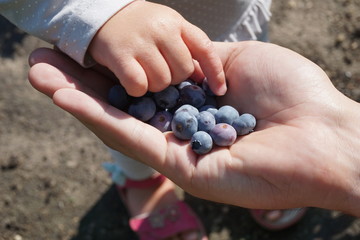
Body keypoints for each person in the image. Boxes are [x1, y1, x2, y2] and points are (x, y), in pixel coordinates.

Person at [1, 0, 284, 239]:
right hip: (117, 45)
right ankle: (142, 181)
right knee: (129, 127)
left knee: (236, 85)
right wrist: (95, 13)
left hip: (231, 21)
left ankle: (255, 175)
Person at [28, 41, 360, 219]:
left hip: (214, 41)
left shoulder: (202, 112)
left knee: (133, 123)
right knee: (125, 133)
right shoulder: (185, 113)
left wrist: (341, 143)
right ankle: (142, 180)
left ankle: (282, 180)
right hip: (114, 51)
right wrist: (100, 19)